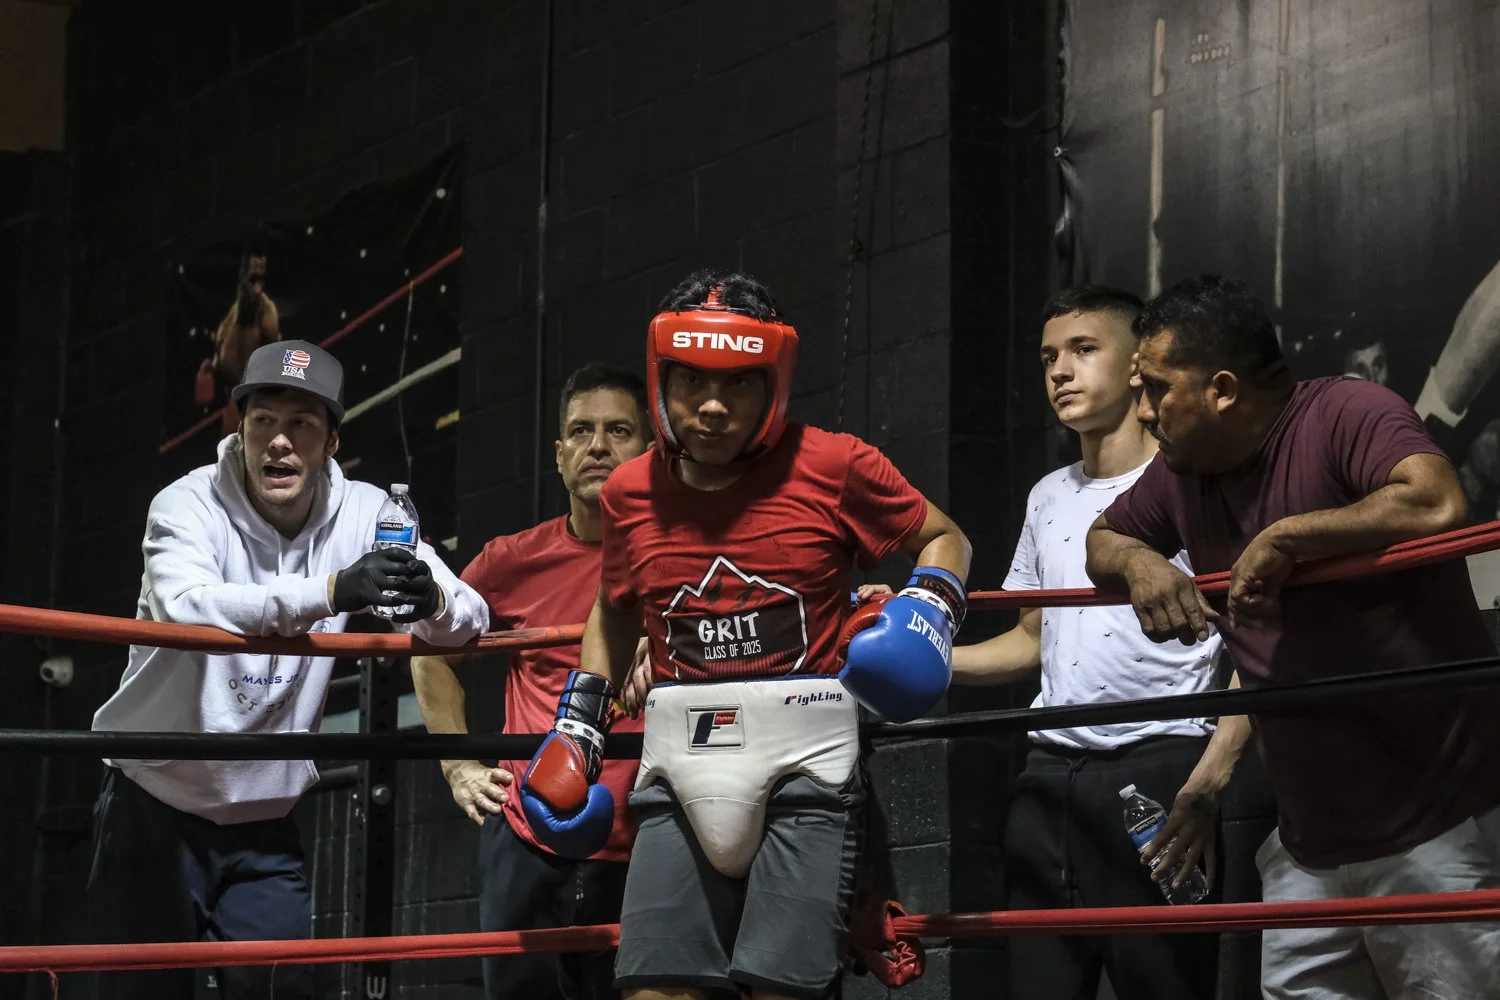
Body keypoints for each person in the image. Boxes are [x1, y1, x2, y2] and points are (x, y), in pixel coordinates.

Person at [517, 269, 972, 1000]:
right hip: (677, 766)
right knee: (654, 989)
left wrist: (930, 613)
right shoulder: (632, 491)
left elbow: (945, 537)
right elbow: (613, 605)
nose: (714, 406)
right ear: (662, 379)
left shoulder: (835, 464)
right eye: (692, 381)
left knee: (780, 991)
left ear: (776, 382)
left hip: (809, 770)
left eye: (740, 383)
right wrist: (581, 723)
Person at [1084, 274, 1500, 999]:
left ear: (1220, 389)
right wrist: (1142, 562)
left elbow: (1437, 500)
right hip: (1308, 852)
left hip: (1433, 835)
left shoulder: (1345, 412)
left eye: (1154, 388)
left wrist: (1291, 537)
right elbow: (1104, 538)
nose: (1142, 412)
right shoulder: (1186, 474)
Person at [89, 339, 489, 1000]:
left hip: (264, 822)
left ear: (330, 440)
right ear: (239, 429)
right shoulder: (185, 506)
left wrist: (432, 601)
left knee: (284, 993)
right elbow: (192, 610)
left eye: (301, 424)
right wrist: (331, 591)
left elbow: (469, 615)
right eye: (264, 421)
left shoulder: (365, 512)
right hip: (153, 804)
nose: (279, 441)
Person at [944, 286, 1245, 1000]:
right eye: (1049, 356)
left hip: (1161, 761)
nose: (1060, 371)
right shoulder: (1047, 494)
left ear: (1139, 365)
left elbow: (1263, 640)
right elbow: (1031, 641)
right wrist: (917, 662)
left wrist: (1211, 771)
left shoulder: (1192, 485)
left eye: (1083, 350)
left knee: (1164, 986)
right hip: (1050, 773)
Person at [411, 363, 655, 1000]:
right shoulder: (512, 561)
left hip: (649, 839)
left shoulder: (680, 558)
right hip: (528, 838)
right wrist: (458, 767)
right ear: (558, 454)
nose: (597, 445)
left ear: (649, 449)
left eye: (618, 430)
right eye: (581, 431)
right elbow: (429, 652)